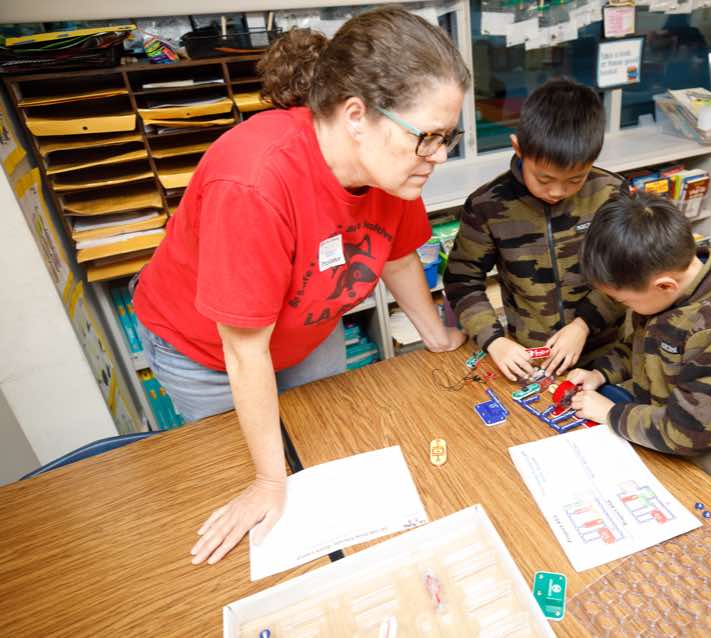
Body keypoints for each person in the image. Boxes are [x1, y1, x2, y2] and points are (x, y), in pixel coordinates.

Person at [131, 7, 470, 565]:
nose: (438, 156)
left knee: (325, 456)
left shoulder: (391, 170)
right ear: (356, 115)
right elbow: (245, 352)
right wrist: (268, 480)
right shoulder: (255, 182)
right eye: (427, 137)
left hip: (307, 326)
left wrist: (436, 336)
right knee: (260, 496)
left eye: (447, 138)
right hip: (210, 352)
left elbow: (397, 254)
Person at [567, 191, 711, 502]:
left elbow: (689, 431)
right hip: (668, 445)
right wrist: (601, 373)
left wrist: (611, 413)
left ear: (665, 285)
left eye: (625, 302)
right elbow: (644, 346)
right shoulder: (668, 294)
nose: (624, 308)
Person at [443, 78, 625, 382]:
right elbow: (462, 281)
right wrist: (494, 341)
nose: (557, 192)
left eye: (575, 179)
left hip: (610, 355)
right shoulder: (487, 205)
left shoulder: (610, 193)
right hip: (532, 357)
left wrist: (583, 324)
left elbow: (628, 271)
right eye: (544, 179)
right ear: (518, 148)